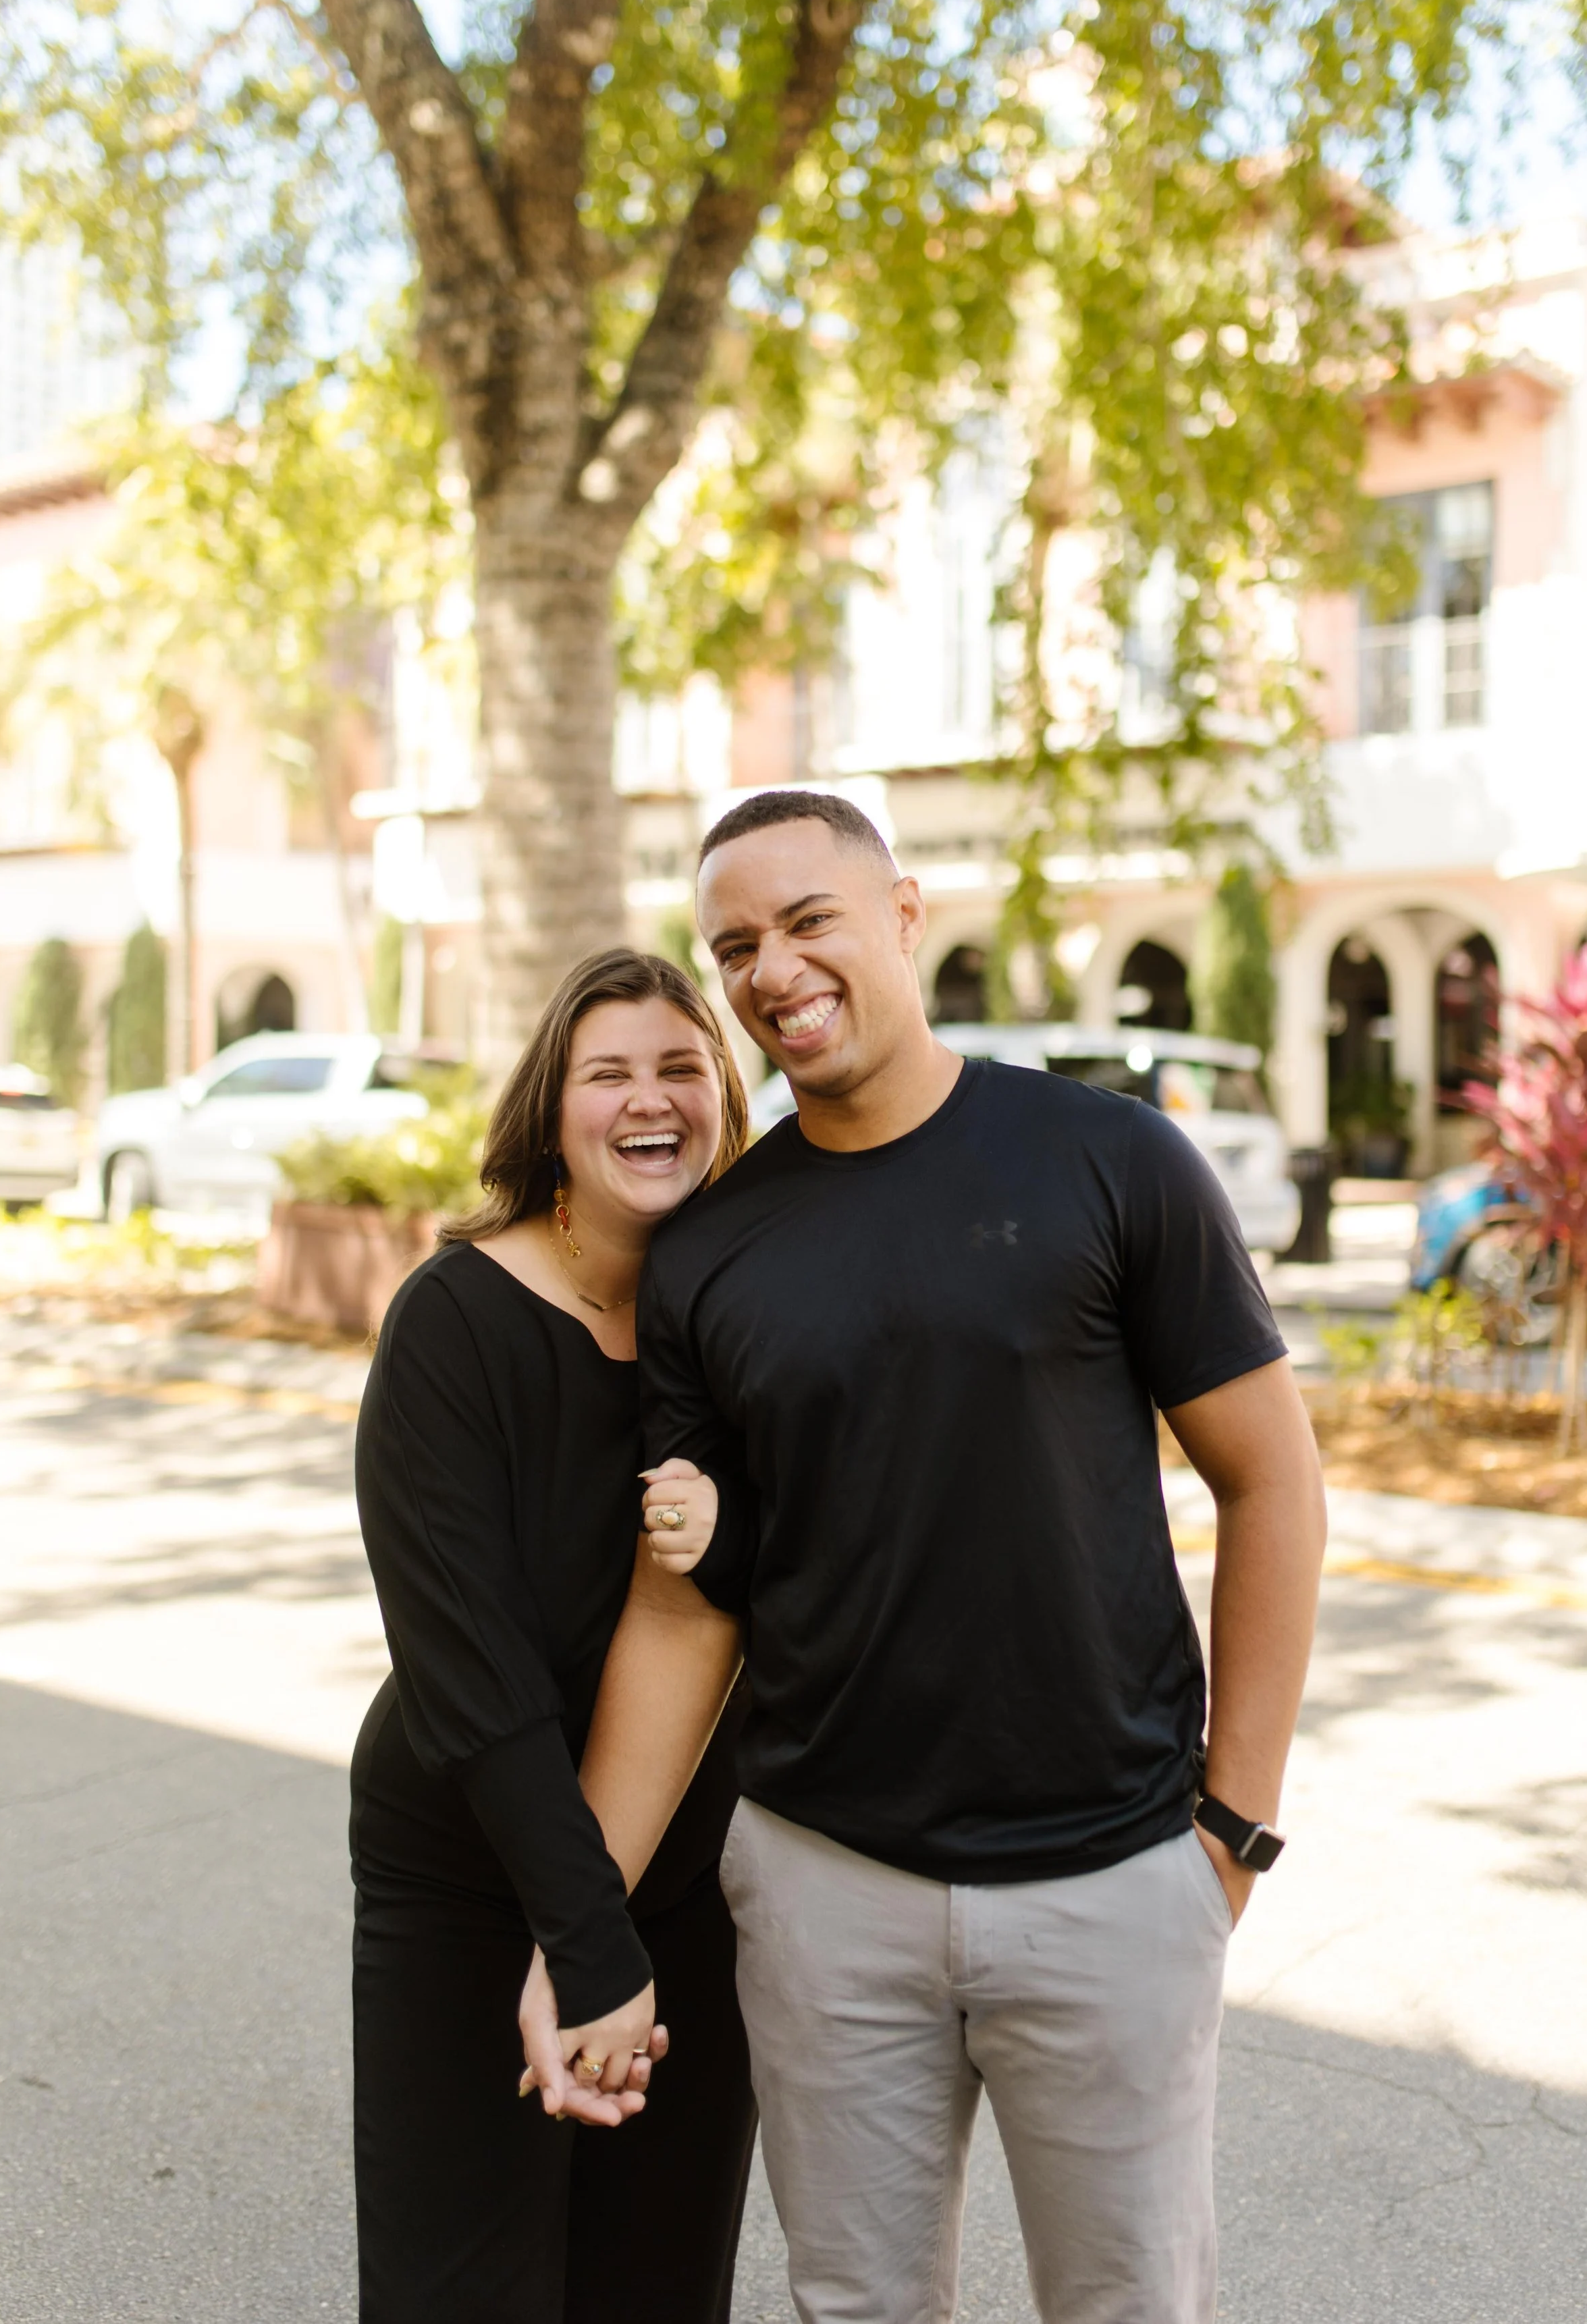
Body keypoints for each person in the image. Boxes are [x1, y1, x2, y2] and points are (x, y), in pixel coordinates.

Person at [587, 791, 1327, 2324]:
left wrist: (1230, 1832)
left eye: (807, 922)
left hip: (1111, 1876)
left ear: (905, 916)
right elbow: (686, 1609)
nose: (772, 970)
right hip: (819, 1886)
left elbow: (1271, 1483)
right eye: (734, 945)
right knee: (851, 2306)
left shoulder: (1107, 1160)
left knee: (1125, 2306)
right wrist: (575, 1916)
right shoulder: (711, 1250)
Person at [350, 948, 753, 2324]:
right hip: (470, 1870)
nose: (649, 1100)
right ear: (553, 1114)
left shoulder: (738, 1317)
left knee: (652, 2288)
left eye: (680, 1067)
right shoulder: (455, 1321)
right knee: (463, 2290)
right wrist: (587, 1946)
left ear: (723, 1097)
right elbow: (471, 1679)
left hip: (687, 1884)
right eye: (609, 1074)